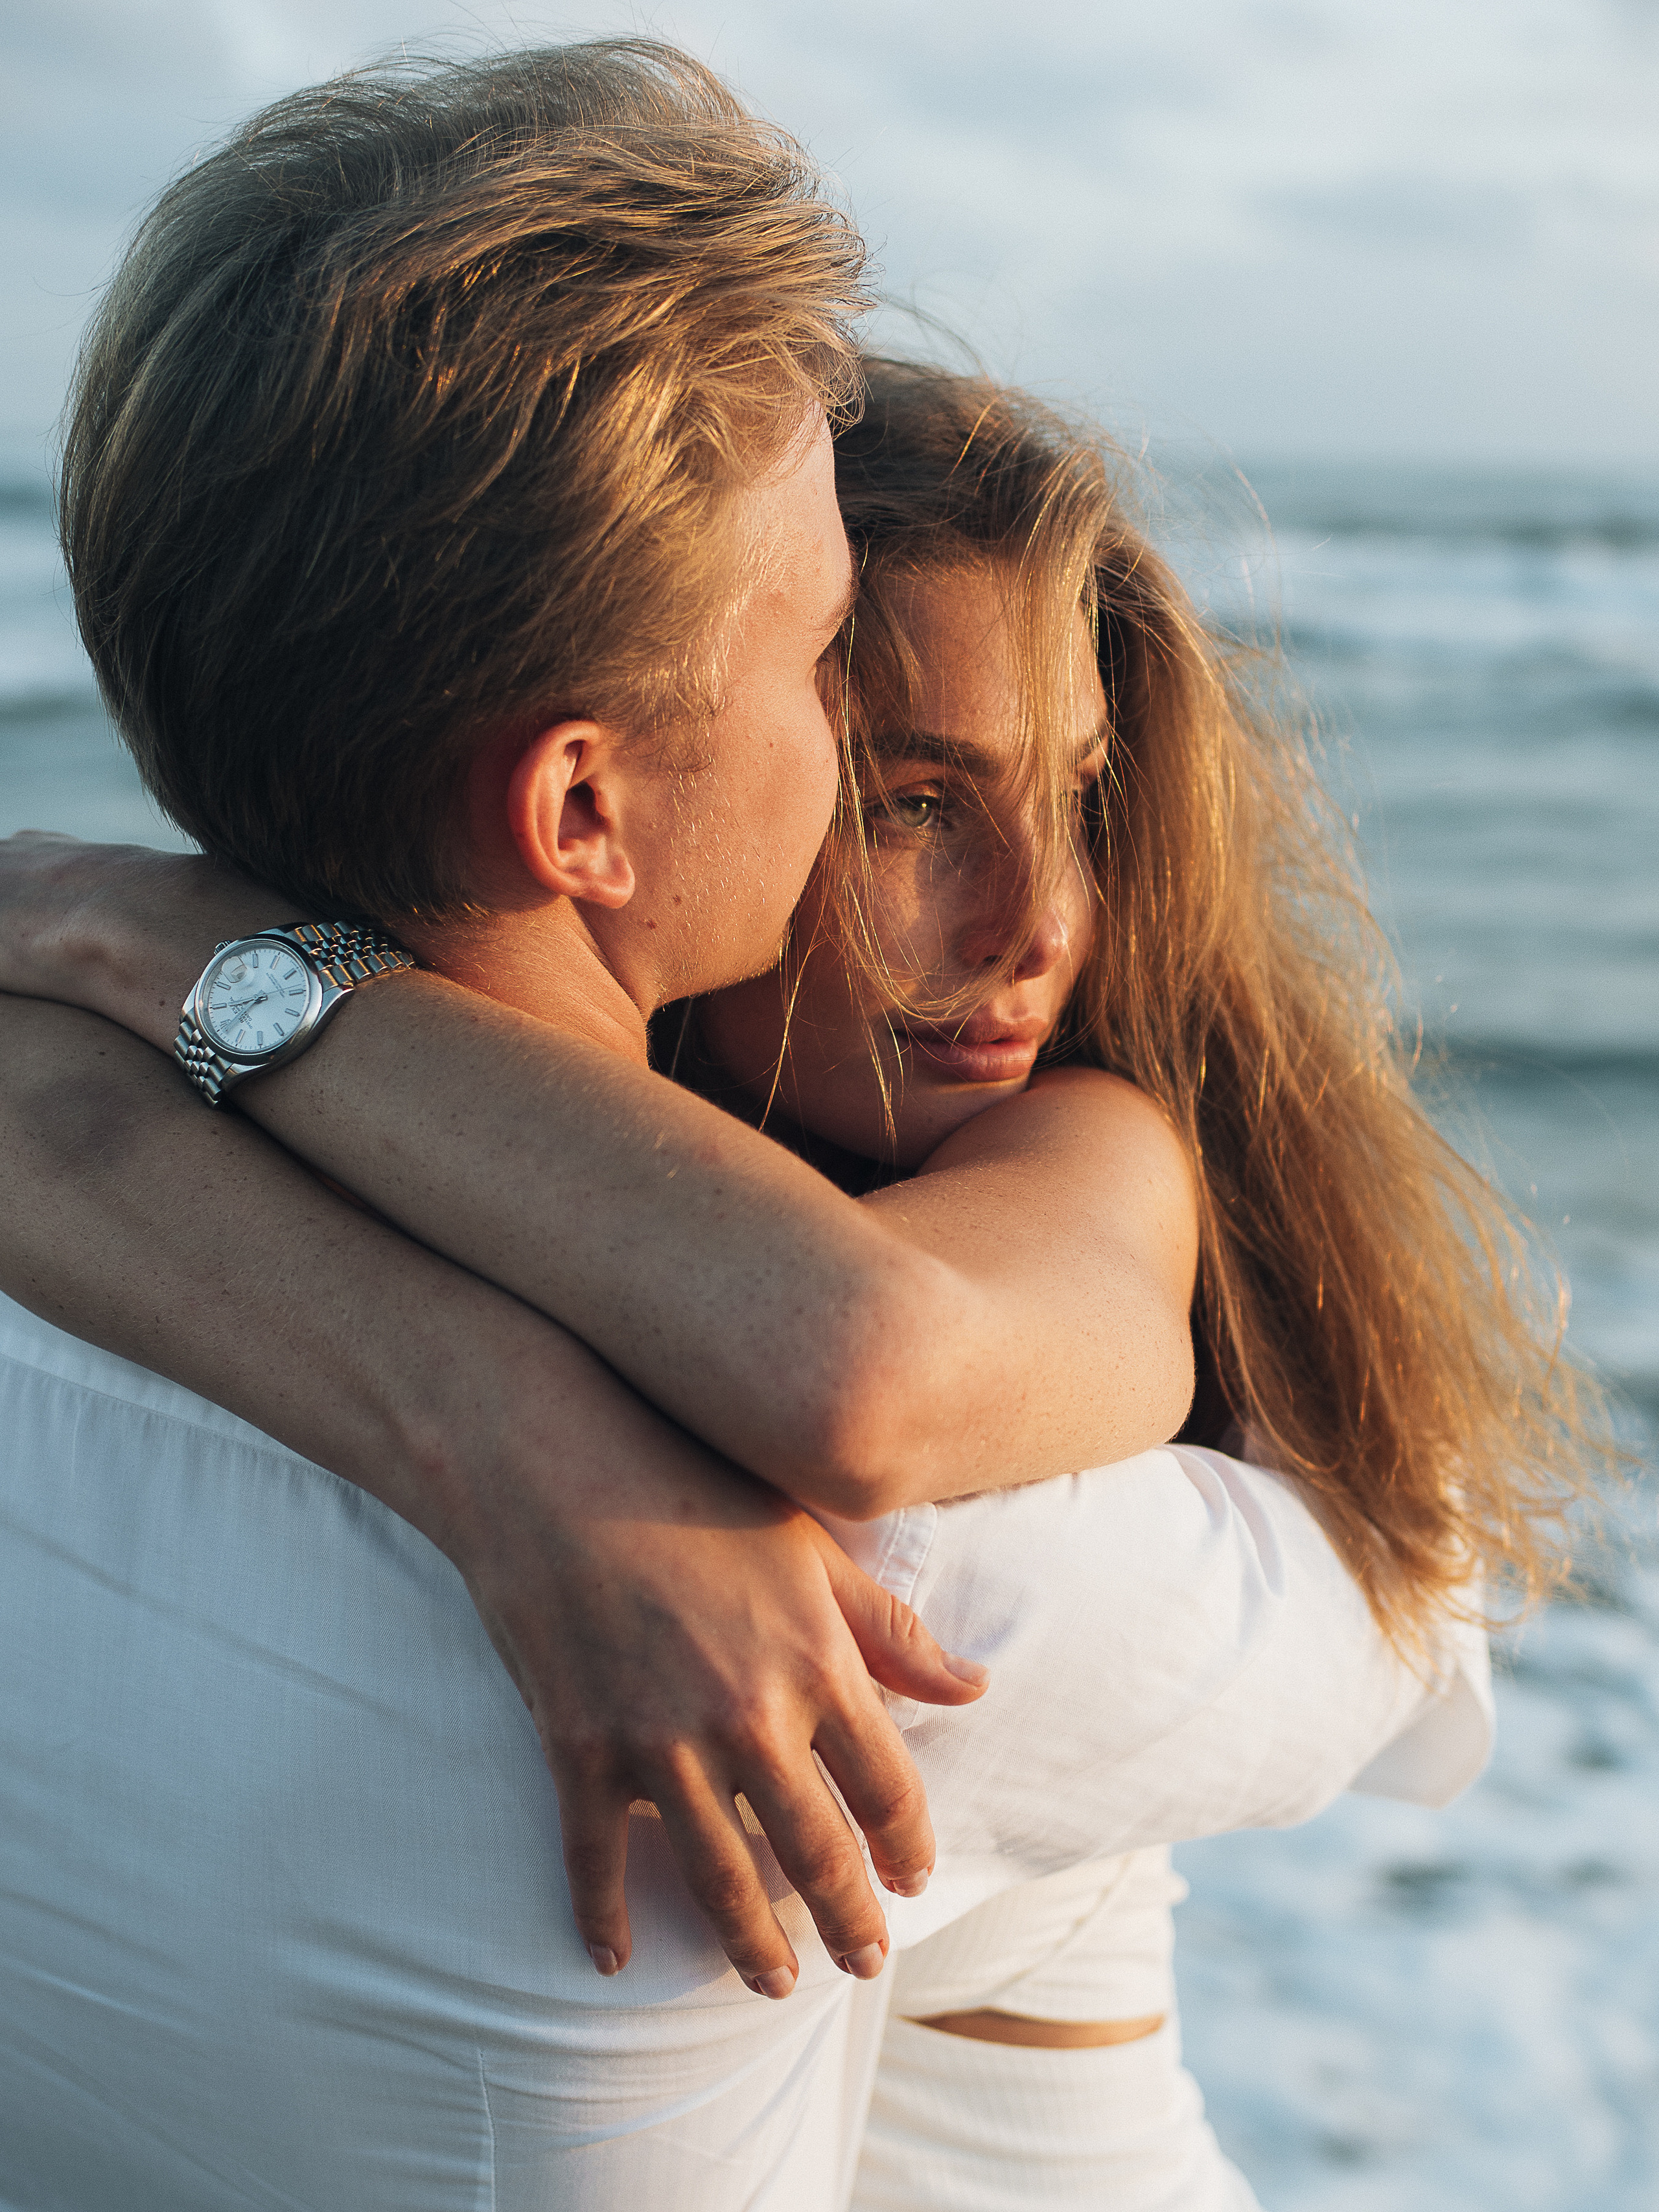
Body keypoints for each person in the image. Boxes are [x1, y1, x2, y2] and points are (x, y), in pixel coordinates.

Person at [0, 43, 1594, 2212]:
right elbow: (1396, 1625)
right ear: (581, 806)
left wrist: (139, 941)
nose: (1042, 919)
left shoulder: (68, 1306)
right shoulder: (844, 1620)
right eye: (847, 686)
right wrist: (492, 1432)